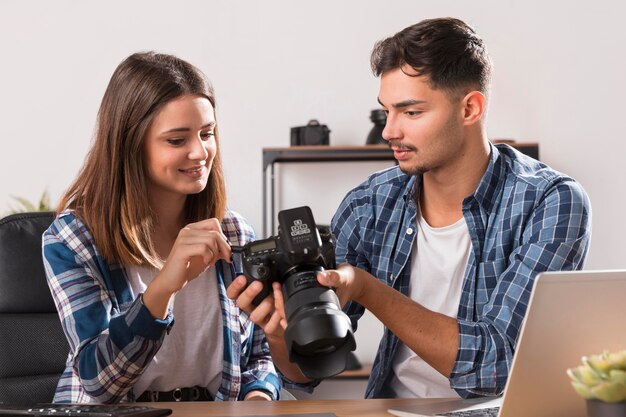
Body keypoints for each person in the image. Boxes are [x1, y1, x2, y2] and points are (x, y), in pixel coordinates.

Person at [227, 17, 592, 399]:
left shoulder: (550, 201)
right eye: (387, 111)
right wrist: (281, 332)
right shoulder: (370, 203)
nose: (389, 131)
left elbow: (497, 367)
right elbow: (304, 375)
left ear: (470, 108)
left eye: (411, 112)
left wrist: (368, 289)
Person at [42, 52, 280, 404]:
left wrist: (258, 397)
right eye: (177, 140)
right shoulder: (73, 240)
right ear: (130, 144)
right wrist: (165, 286)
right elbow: (98, 381)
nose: (200, 152)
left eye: (207, 133)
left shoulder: (233, 232)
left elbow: (259, 355)